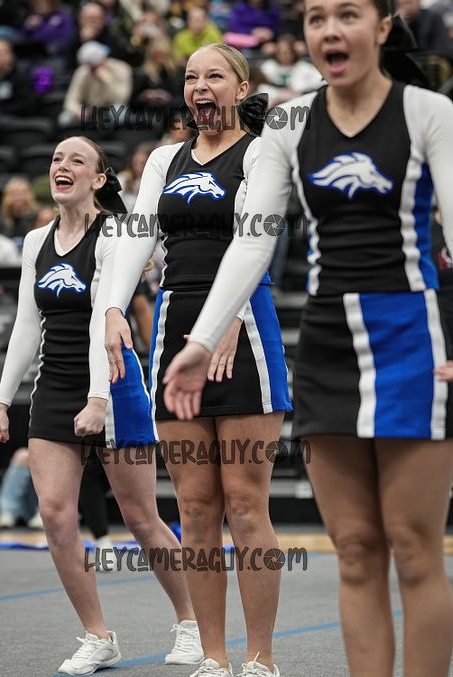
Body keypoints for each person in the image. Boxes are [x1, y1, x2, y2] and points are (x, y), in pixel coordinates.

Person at [163, 3, 453, 677]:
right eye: (317, 17)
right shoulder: (288, 123)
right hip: (327, 347)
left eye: (347, 14)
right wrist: (204, 339)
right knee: (355, 549)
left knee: (414, 549)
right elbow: (253, 238)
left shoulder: (428, 113)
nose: (329, 30)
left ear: (382, 28)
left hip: (411, 336)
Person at [0, 136, 202, 675]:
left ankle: (192, 622)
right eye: (56, 158)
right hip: (55, 387)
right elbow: (25, 325)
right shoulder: (35, 241)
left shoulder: (114, 235)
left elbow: (105, 315)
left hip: (115, 383)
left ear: (99, 179)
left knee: (140, 517)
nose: (62, 165)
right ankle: (98, 636)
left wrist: (99, 400)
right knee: (56, 515)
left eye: (76, 160)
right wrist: (1, 402)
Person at [105, 44, 291, 677]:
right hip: (174, 327)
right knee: (195, 507)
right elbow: (137, 239)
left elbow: (256, 236)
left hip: (245, 329)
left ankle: (260, 657)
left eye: (214, 75)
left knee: (246, 502)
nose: (200, 85)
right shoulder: (164, 159)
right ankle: (213, 655)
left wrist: (230, 320)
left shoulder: (260, 152)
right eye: (191, 77)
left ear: (241, 88)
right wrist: (114, 307)